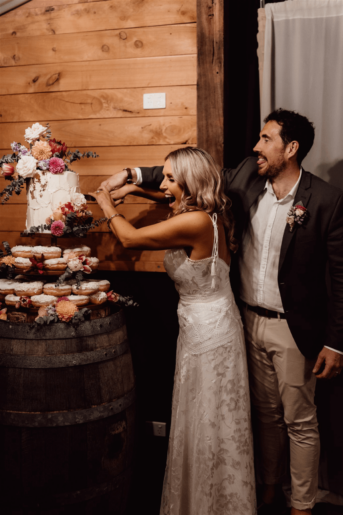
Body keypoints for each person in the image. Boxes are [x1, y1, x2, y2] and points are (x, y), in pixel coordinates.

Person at [101, 109, 343, 515]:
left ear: (292, 148)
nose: (256, 147)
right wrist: (131, 175)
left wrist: (336, 342)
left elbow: (340, 276)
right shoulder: (249, 176)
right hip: (244, 318)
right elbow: (190, 178)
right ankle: (266, 492)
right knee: (263, 416)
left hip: (293, 327)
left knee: (299, 421)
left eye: (266, 139)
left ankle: (301, 505)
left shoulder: (325, 200)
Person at [91, 147, 257, 515]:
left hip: (209, 333)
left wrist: (106, 203)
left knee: (209, 417)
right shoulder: (204, 212)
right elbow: (170, 200)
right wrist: (136, 190)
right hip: (205, 324)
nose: (163, 184)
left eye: (169, 177)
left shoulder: (195, 222)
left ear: (188, 180)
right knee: (201, 414)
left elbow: (130, 239)